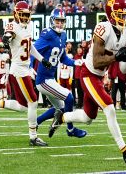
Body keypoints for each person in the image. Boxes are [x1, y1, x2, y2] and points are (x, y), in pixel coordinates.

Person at [48, 0, 126, 166]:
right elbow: (97, 61)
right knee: (109, 107)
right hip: (88, 74)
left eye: (125, 14)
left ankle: (61, 117)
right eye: (121, 14)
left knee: (88, 117)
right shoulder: (103, 28)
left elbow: (122, 69)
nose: (124, 18)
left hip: (98, 77)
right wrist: (118, 56)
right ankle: (125, 151)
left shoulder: (125, 32)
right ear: (111, 14)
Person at [0, 1, 52, 146]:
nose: (25, 18)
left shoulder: (28, 26)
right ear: (15, 14)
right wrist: (5, 39)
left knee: (24, 106)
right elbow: (7, 35)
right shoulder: (12, 26)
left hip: (24, 69)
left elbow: (29, 45)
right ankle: (33, 137)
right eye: (22, 15)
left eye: (27, 15)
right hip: (19, 70)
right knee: (33, 101)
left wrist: (41, 59)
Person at [33, 8, 87, 138]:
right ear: (52, 20)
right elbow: (32, 49)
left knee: (61, 108)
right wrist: (29, 67)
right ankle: (70, 129)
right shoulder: (47, 34)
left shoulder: (63, 35)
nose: (60, 24)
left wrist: (75, 62)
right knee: (69, 98)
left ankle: (36, 122)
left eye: (62, 21)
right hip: (43, 80)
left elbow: (62, 58)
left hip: (50, 79)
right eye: (57, 20)